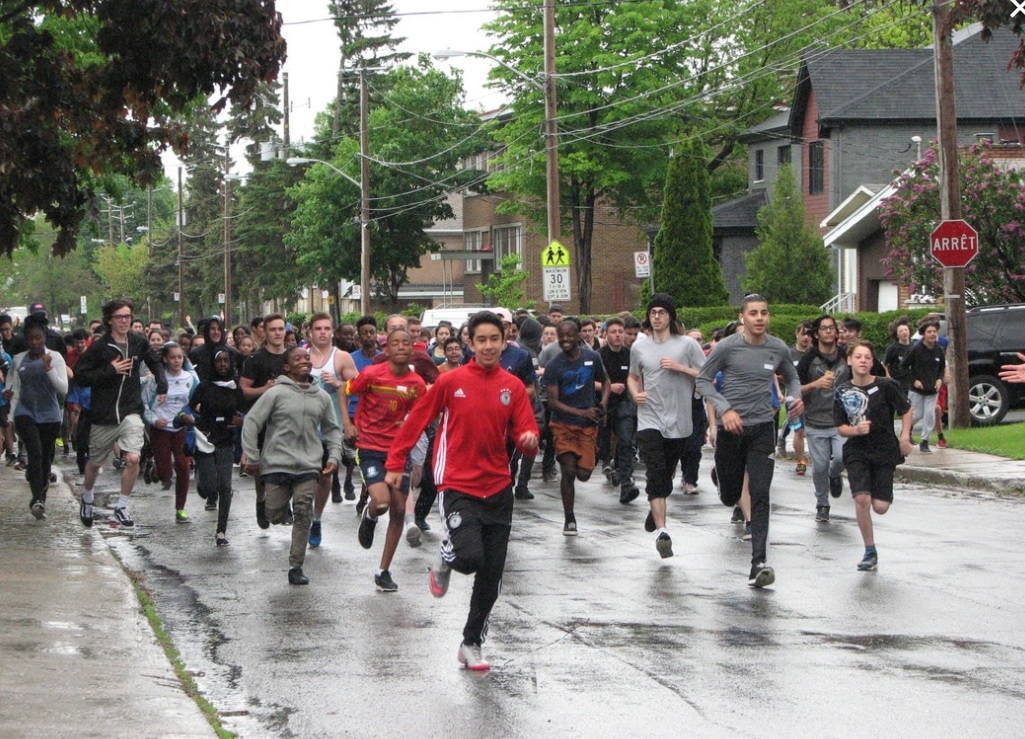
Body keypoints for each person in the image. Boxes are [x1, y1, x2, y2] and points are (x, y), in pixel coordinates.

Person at [384, 311, 538, 671]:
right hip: (456, 483)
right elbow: (418, 418)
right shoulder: (450, 381)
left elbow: (525, 432)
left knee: (492, 575)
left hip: (499, 486)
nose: (487, 346)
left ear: (504, 341)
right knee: (470, 557)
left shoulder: (512, 386)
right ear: (469, 343)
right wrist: (395, 462)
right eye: (480, 340)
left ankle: (471, 644)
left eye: (494, 340)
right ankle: (446, 558)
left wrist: (529, 441)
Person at [696, 294, 802, 588]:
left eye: (764, 313)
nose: (759, 318)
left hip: (761, 429)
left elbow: (792, 377)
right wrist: (724, 409)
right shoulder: (728, 347)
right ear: (742, 317)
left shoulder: (777, 347)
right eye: (753, 313)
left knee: (760, 492)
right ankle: (722, 480)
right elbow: (703, 380)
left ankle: (759, 562)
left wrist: (795, 398)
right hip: (732, 431)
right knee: (731, 495)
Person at [242, 346, 342, 585]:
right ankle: (267, 504)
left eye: (307, 358)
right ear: (287, 367)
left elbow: (332, 429)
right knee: (275, 515)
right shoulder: (275, 393)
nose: (304, 361)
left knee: (303, 511)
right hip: (277, 463)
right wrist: (253, 456)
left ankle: (296, 566)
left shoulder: (321, 396)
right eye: (297, 358)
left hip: (308, 464)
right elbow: (252, 421)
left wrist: (333, 457)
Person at [343, 329, 427, 591]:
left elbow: (420, 418)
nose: (401, 347)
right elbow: (342, 391)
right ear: (386, 350)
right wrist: (347, 423)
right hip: (369, 447)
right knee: (381, 502)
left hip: (398, 453)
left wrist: (413, 449)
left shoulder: (416, 385)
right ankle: (370, 516)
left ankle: (383, 571)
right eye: (395, 343)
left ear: (412, 350)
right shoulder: (371, 374)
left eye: (406, 343)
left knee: (400, 510)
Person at [73, 299, 167, 527]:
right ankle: (87, 498)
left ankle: (122, 507)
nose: (125, 321)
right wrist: (110, 370)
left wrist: (162, 385)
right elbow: (80, 376)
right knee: (95, 463)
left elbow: (154, 361)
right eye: (120, 317)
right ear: (109, 320)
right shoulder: (99, 347)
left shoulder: (138, 342)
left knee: (134, 458)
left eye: (128, 316)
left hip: (130, 410)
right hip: (103, 414)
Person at [627, 294, 706, 558]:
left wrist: (681, 367)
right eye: (653, 313)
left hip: (680, 421)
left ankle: (655, 507)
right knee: (655, 472)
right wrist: (634, 392)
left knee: (666, 476)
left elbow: (706, 375)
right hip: (649, 418)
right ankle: (663, 532)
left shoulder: (687, 345)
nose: (657, 317)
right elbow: (632, 376)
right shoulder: (640, 347)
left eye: (662, 312)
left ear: (670, 316)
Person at [835, 341, 913, 571]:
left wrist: (905, 437)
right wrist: (855, 430)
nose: (862, 361)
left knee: (880, 506)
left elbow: (906, 410)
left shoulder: (887, 386)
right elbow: (840, 427)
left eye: (867, 357)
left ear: (872, 362)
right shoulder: (843, 391)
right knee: (862, 499)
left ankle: (881, 493)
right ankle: (869, 550)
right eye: (858, 357)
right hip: (857, 450)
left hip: (885, 449)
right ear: (849, 360)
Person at [545, 317, 609, 536]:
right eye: (561, 336)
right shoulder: (554, 365)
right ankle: (569, 519)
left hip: (588, 426)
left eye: (569, 336)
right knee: (569, 470)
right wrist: (581, 411)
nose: (564, 340)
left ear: (578, 335)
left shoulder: (592, 357)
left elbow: (606, 382)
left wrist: (603, 403)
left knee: (583, 474)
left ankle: (595, 451)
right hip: (562, 424)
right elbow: (553, 402)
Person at [4, 313, 68, 520]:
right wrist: (11, 418)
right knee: (35, 453)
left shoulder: (55, 357)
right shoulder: (18, 360)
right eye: (31, 339)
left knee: (45, 459)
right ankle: (37, 499)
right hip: (26, 413)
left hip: (50, 416)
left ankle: (40, 489)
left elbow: (63, 390)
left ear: (44, 339)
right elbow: (13, 390)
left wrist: (49, 369)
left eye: (38, 338)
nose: (34, 343)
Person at [306, 312, 359, 548]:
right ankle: (302, 513)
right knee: (304, 476)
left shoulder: (342, 357)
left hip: (331, 427)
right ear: (310, 332)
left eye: (327, 328)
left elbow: (359, 386)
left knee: (326, 475)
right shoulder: (302, 357)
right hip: (304, 427)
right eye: (318, 329)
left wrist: (338, 383)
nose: (323, 333)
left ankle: (316, 519)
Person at [796, 315, 851, 523]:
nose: (828, 331)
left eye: (832, 328)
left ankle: (835, 474)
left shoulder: (846, 356)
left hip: (840, 421)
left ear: (837, 333)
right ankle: (822, 503)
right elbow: (795, 388)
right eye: (824, 328)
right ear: (816, 334)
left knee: (842, 457)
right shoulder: (808, 359)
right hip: (815, 421)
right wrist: (815, 385)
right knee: (819, 466)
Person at [189, 349, 245, 546]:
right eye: (219, 361)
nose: (222, 365)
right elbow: (189, 408)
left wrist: (241, 421)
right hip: (206, 438)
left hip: (226, 440)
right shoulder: (204, 387)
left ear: (231, 364)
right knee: (209, 488)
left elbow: (244, 411)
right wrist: (193, 421)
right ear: (213, 365)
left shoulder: (235, 387)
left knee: (225, 486)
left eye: (226, 361)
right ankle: (202, 481)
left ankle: (221, 531)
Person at [240, 313, 289, 527]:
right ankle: (261, 501)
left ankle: (285, 506)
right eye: (273, 329)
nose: (277, 333)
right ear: (265, 333)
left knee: (288, 464)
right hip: (262, 422)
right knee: (261, 469)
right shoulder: (255, 359)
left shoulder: (293, 357)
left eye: (281, 329)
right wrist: (265, 389)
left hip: (287, 421)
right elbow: (243, 390)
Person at [142, 342, 199, 522]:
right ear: (165, 359)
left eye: (180, 357)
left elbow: (198, 398)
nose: (176, 361)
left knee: (183, 467)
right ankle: (156, 471)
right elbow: (143, 404)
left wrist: (193, 415)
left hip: (181, 428)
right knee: (166, 474)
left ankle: (180, 509)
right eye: (173, 357)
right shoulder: (156, 380)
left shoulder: (190, 378)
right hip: (160, 429)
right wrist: (154, 420)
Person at [598, 317, 638, 503]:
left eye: (620, 332)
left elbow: (637, 377)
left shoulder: (630, 354)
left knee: (625, 440)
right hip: (603, 405)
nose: (617, 335)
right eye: (613, 332)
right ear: (606, 334)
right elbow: (589, 381)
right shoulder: (598, 355)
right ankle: (614, 468)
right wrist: (608, 387)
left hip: (624, 404)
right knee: (604, 447)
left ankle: (627, 483)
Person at [900, 317, 945, 454]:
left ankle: (924, 441)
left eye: (934, 331)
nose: (932, 334)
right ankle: (906, 431)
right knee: (916, 414)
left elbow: (941, 368)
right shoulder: (916, 349)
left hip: (933, 389)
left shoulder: (939, 350)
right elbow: (903, 366)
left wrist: (939, 379)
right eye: (929, 331)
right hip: (917, 390)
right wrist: (914, 381)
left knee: (930, 415)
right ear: (923, 334)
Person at [777, 321, 812, 472]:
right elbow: (776, 373)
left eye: (810, 334)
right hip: (793, 395)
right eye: (803, 333)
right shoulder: (789, 354)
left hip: (813, 397)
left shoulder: (815, 354)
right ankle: (801, 461)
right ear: (797, 334)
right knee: (799, 430)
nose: (806, 338)